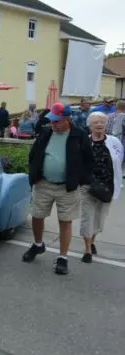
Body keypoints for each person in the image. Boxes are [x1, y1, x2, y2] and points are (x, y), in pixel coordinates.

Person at [22, 102, 94, 275]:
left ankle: (63, 257)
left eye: (57, 121)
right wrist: (35, 176)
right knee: (37, 216)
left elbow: (89, 161)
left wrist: (79, 180)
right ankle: (38, 245)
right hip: (44, 183)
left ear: (67, 119)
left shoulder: (80, 135)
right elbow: (33, 155)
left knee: (65, 221)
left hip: (67, 187)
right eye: (51, 121)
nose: (53, 124)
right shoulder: (46, 132)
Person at [79, 112, 123, 263]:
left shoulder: (114, 142)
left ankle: (92, 241)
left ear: (106, 125)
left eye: (102, 123)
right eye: (96, 122)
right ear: (90, 125)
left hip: (107, 186)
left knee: (99, 218)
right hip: (87, 186)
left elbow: (119, 160)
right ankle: (87, 250)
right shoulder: (84, 141)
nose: (99, 125)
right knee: (87, 217)